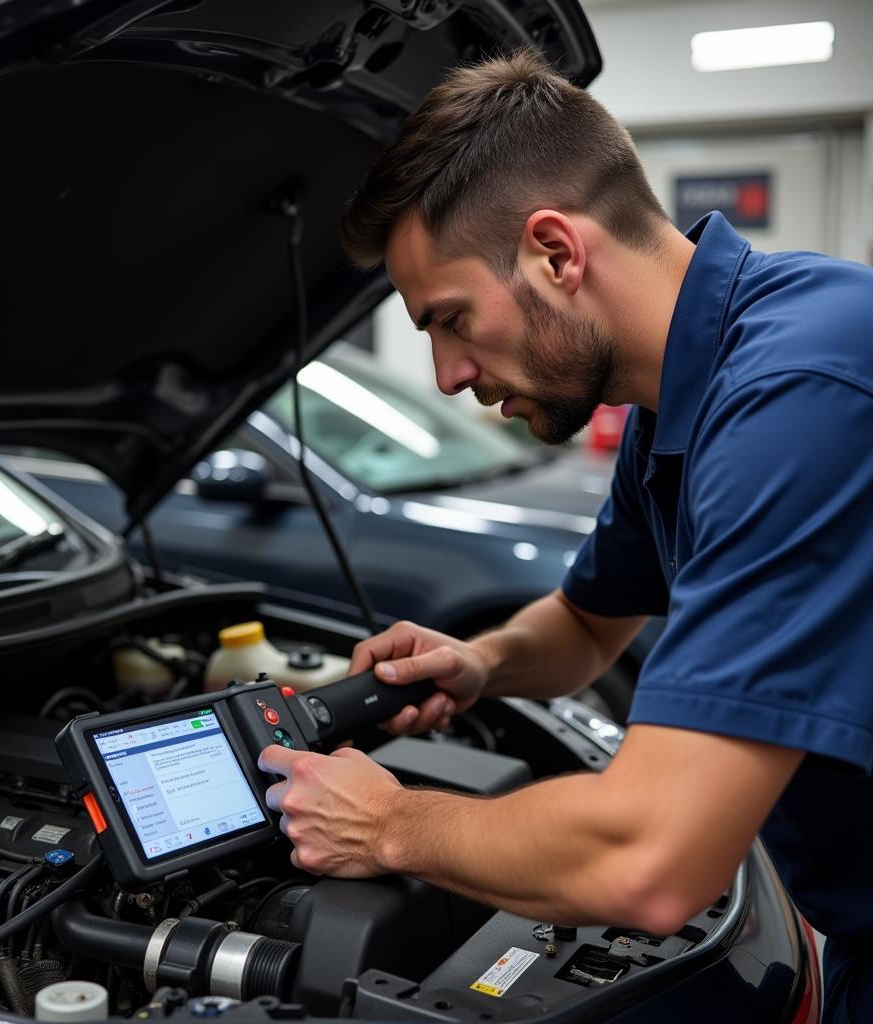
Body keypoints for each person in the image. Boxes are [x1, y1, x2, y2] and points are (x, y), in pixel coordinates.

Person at [258, 49, 873, 1021]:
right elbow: (588, 625)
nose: (448, 373)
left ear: (555, 251)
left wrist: (389, 825)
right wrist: (478, 661)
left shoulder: (799, 397)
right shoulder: (676, 392)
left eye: (450, 319)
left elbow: (650, 859)